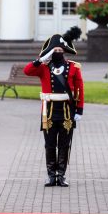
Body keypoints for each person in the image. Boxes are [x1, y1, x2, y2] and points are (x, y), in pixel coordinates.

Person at [24, 27, 84, 187]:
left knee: (65, 144)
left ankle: (61, 175)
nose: (57, 52)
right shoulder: (43, 67)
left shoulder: (73, 67)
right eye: (54, 50)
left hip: (66, 110)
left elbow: (79, 89)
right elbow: (27, 70)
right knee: (50, 144)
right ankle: (51, 175)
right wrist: (41, 59)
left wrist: (79, 110)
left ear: (64, 50)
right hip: (48, 112)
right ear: (50, 51)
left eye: (59, 49)